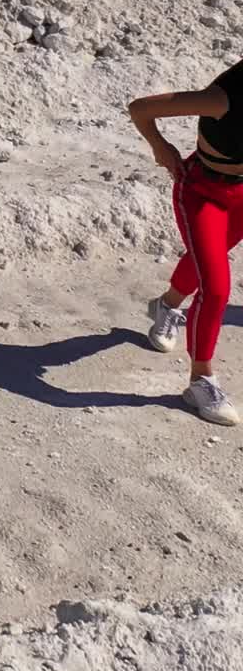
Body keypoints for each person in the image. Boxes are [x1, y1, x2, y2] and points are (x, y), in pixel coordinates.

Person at [129, 58, 243, 425]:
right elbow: (141, 108)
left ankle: (167, 306)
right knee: (217, 288)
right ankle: (200, 380)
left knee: (202, 263)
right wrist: (159, 146)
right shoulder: (223, 98)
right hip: (202, 193)